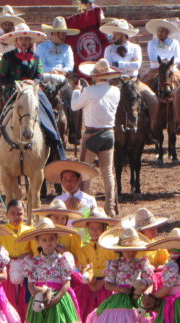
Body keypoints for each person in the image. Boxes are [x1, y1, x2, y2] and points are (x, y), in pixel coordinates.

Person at [17, 218, 88, 323]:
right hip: (39, 301)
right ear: (37, 242)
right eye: (44, 240)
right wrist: (37, 297)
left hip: (59, 301)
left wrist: (54, 300)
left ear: (56, 240)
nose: (48, 243)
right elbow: (30, 284)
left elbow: (67, 283)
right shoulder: (33, 262)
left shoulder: (63, 259)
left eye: (51, 239)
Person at [0, 22, 67, 159]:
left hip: (34, 91)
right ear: (16, 41)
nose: (24, 42)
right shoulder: (7, 57)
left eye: (27, 39)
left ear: (30, 41)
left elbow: (39, 75)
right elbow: (3, 78)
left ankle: (54, 139)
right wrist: (18, 83)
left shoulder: (35, 57)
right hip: (13, 92)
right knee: (1, 113)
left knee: (48, 109)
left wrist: (33, 82)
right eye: (21, 39)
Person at [85, 222, 155, 323]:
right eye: (127, 249)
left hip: (138, 297)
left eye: (133, 249)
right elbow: (108, 284)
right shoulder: (114, 264)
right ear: (120, 249)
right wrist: (119, 289)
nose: (130, 253)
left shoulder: (142, 262)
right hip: (119, 299)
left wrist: (146, 295)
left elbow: (149, 282)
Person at [72, 59, 122, 215]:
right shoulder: (116, 91)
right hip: (109, 134)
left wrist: (76, 91)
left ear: (94, 76)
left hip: (92, 135)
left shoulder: (90, 91)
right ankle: (110, 206)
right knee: (107, 171)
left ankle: (85, 206)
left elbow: (74, 106)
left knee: (86, 171)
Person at [73, 208, 120, 322]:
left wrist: (103, 281)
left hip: (109, 283)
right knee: (89, 313)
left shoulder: (112, 247)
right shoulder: (83, 250)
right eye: (91, 228)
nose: (95, 231)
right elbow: (85, 267)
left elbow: (115, 265)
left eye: (98, 228)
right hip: (91, 284)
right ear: (87, 229)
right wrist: (92, 282)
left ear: (104, 229)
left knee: (108, 314)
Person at [0, 199, 34, 318]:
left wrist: (26, 255)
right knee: (8, 297)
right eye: (12, 213)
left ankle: (23, 321)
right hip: (7, 268)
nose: (16, 216)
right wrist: (6, 257)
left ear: (24, 214)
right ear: (7, 214)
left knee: (23, 297)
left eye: (19, 213)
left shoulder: (30, 231)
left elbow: (35, 251)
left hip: (25, 268)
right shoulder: (1, 231)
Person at [141, 19, 180, 85]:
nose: (159, 33)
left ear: (167, 32)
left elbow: (178, 58)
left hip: (171, 70)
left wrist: (168, 61)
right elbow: (152, 57)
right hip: (155, 69)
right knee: (143, 85)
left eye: (162, 31)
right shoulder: (152, 43)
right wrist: (166, 60)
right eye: (158, 31)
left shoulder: (175, 43)